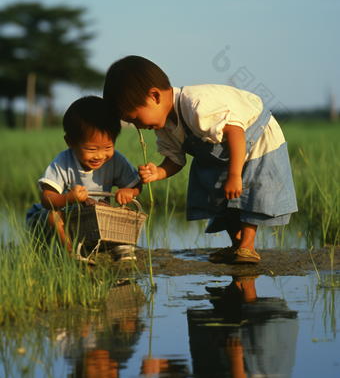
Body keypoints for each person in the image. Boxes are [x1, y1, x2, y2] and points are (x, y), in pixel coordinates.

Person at [103, 55, 298, 264]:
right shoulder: (164, 128)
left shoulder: (197, 105)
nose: (137, 126)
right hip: (222, 149)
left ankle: (247, 246)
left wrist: (234, 175)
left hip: (254, 137)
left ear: (154, 96)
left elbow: (235, 131)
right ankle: (236, 246)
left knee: (251, 191)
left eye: (134, 118)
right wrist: (158, 172)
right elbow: (176, 160)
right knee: (216, 189)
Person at [26, 95, 142, 259]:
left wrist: (130, 192)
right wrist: (68, 198)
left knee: (124, 214)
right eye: (92, 149)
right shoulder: (63, 162)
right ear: (70, 142)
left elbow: (136, 185)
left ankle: (117, 245)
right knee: (53, 215)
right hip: (71, 221)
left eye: (108, 147)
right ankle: (70, 252)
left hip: (98, 222)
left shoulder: (116, 160)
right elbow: (46, 199)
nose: (100, 156)